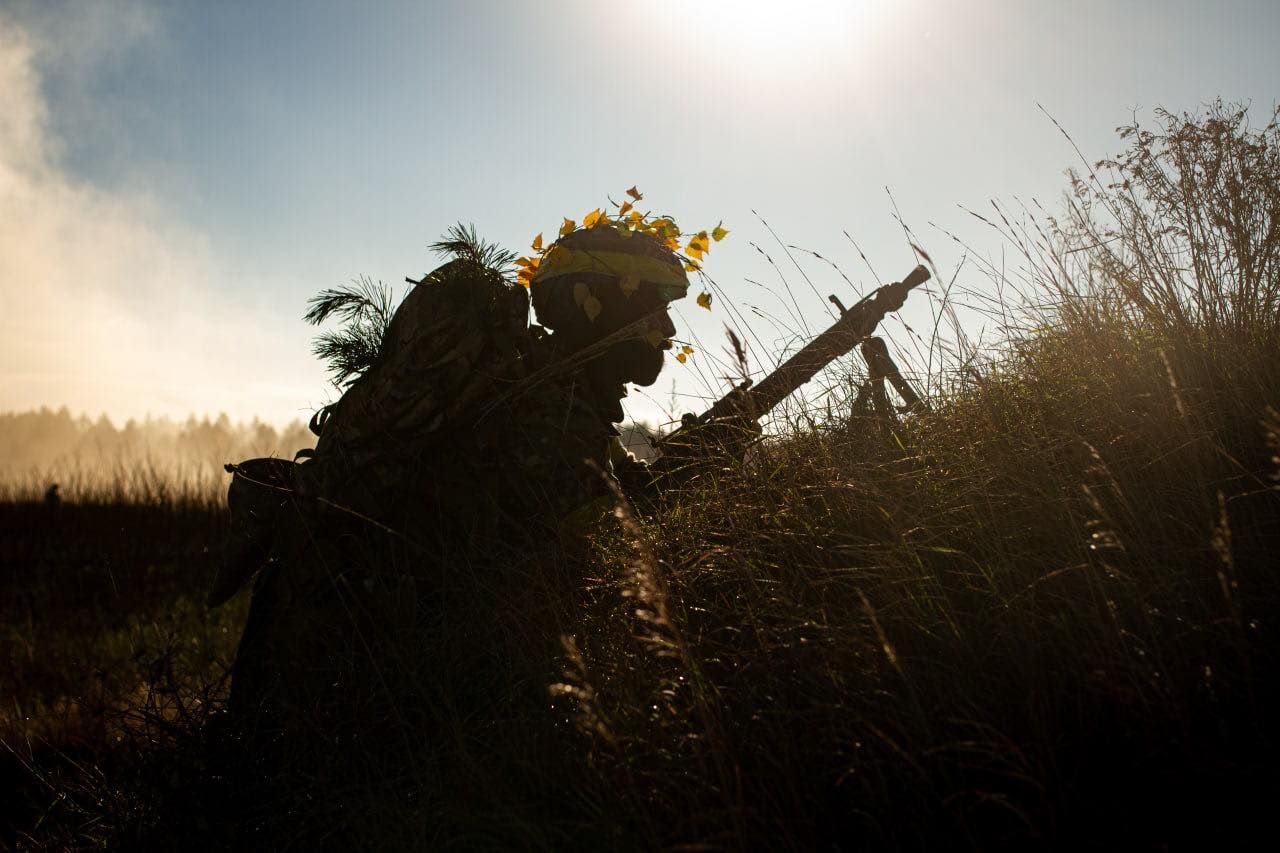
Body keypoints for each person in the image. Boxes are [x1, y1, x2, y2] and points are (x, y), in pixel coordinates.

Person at [207, 223, 691, 829]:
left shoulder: (550, 395)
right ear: (597, 307)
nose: (667, 331)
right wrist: (687, 482)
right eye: (651, 308)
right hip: (371, 710)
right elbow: (606, 537)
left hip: (369, 689)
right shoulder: (548, 409)